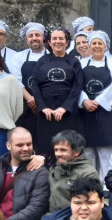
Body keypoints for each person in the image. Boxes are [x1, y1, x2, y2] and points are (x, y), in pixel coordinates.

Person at [10, 129, 99, 220]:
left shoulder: (88, 174)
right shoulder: (55, 168)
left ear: (77, 152)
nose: (58, 154)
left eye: (63, 150)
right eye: (56, 150)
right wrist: (41, 158)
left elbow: (89, 207)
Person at [29, 27, 84, 156]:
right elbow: (35, 85)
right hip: (46, 115)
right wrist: (42, 107)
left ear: (67, 42)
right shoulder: (42, 61)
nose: (58, 41)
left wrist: (64, 108)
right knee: (46, 151)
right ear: (49, 41)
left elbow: (77, 86)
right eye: (54, 38)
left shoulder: (74, 62)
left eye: (61, 38)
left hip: (68, 115)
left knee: (67, 149)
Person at [80, 30, 112, 180]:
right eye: (94, 43)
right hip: (85, 112)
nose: (97, 46)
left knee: (106, 152)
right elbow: (76, 85)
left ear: (106, 47)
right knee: (88, 151)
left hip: (107, 112)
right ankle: (90, 183)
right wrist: (84, 100)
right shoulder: (81, 63)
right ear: (89, 46)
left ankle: (106, 185)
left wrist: (98, 101)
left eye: (100, 43)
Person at [9, 22, 48, 139]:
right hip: (25, 106)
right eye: (31, 36)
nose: (34, 38)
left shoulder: (51, 55)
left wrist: (40, 101)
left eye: (37, 35)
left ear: (43, 37)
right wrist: (30, 99)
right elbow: (15, 80)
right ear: (26, 40)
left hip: (47, 105)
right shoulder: (19, 57)